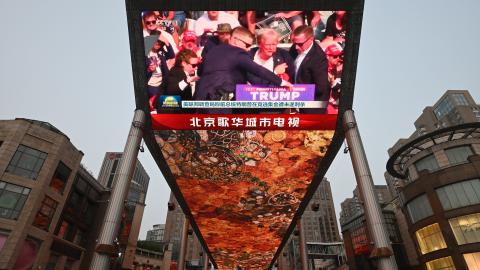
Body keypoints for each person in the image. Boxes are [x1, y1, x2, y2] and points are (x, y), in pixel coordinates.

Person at [194, 27, 291, 107]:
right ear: (235, 40)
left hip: (201, 97)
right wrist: (282, 82)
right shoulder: (238, 53)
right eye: (247, 45)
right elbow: (258, 70)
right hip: (219, 99)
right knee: (220, 129)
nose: (248, 49)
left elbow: (200, 71)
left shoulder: (213, 50)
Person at [289, 25, 329, 114]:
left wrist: (296, 92)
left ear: (311, 40)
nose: (296, 47)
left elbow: (320, 88)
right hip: (296, 103)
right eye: (294, 43)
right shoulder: (295, 48)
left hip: (312, 108)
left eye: (300, 44)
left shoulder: (318, 58)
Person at [324, 43, 343, 113]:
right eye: (335, 56)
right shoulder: (322, 69)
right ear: (327, 56)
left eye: (340, 56)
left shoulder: (337, 67)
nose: (338, 58)